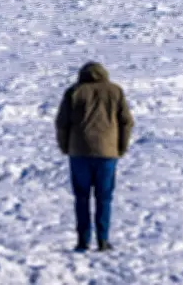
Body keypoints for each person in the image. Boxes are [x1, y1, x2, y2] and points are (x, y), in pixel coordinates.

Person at [55, 62, 134, 252]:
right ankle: (103, 240)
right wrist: (120, 147)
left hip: (79, 152)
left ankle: (83, 240)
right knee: (104, 197)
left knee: (81, 197)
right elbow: (127, 122)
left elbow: (61, 123)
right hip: (108, 152)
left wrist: (65, 147)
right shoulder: (115, 91)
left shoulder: (74, 91)